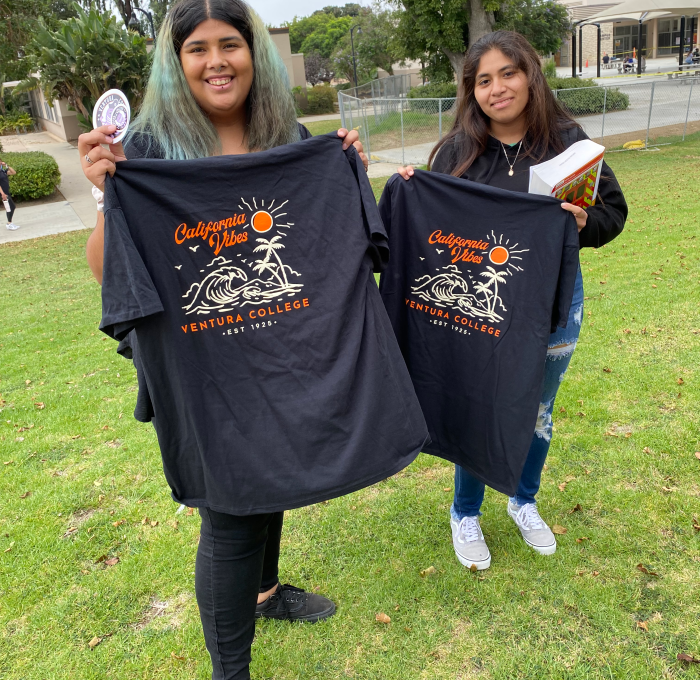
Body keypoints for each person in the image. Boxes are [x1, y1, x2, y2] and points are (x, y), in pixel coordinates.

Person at [78, 0, 368, 677]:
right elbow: (106, 270)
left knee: (275, 476)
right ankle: (229, 669)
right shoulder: (147, 146)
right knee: (230, 511)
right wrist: (102, 197)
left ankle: (265, 591)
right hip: (202, 361)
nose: (216, 61)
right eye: (198, 48)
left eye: (230, 44)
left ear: (254, 52)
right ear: (177, 62)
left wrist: (341, 167)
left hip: (280, 347)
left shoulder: (286, 132)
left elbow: (315, 240)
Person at [397, 30, 627, 570]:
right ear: (470, 91)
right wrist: (411, 190)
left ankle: (524, 500)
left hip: (553, 305)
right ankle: (465, 512)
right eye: (483, 80)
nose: (497, 88)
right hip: (479, 311)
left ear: (530, 75)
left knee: (538, 411)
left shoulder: (568, 142)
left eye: (508, 73)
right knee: (480, 406)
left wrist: (581, 222)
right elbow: (433, 230)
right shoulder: (458, 149)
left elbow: (613, 214)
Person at [0, 159, 19, 230]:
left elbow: (13, 172)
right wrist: (3, 194)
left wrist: (6, 165)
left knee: (11, 207)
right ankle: (9, 223)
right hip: (3, 193)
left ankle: (10, 223)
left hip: (6, 192)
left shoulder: (2, 171)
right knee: (10, 207)